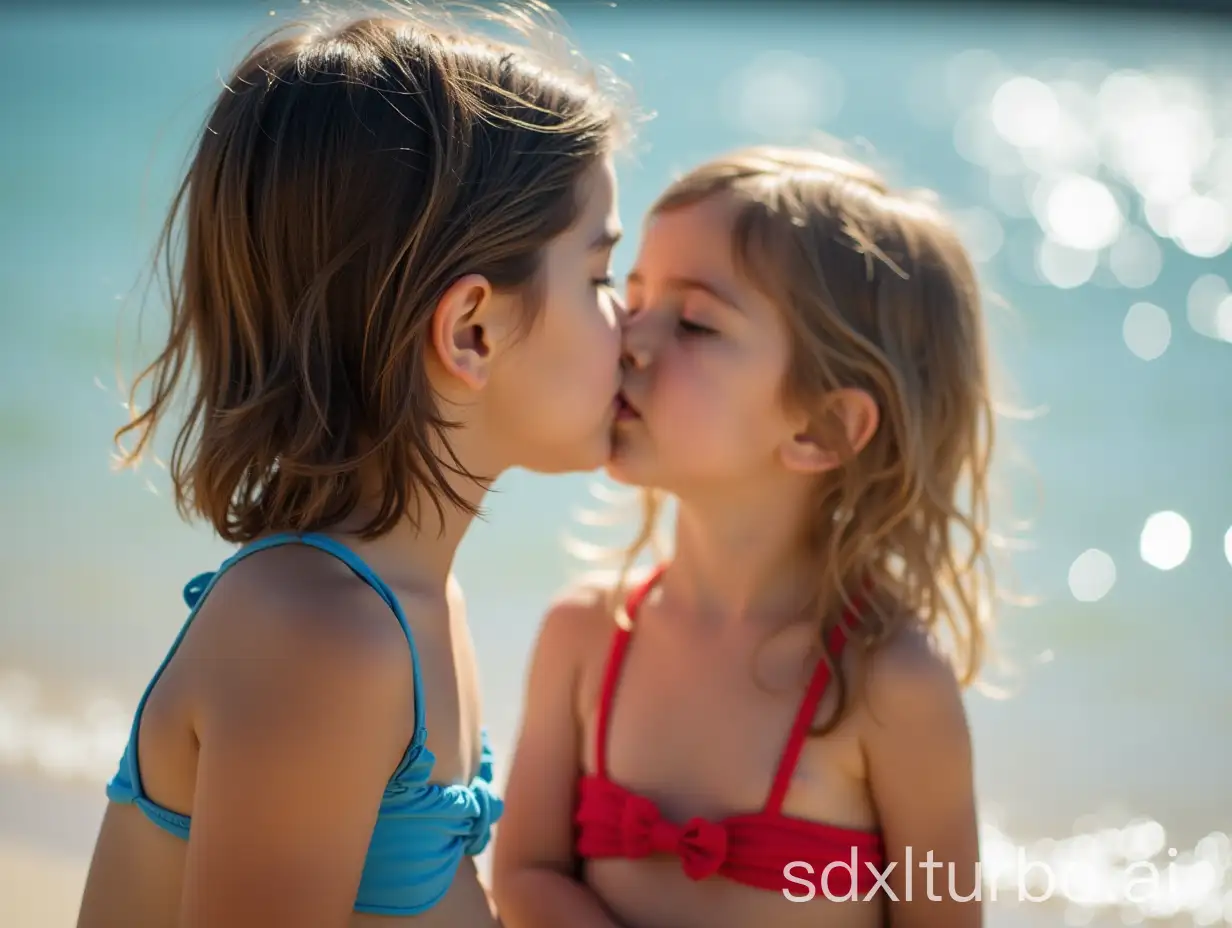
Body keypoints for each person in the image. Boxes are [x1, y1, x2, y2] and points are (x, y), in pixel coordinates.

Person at [76, 4, 628, 926]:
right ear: (472, 331)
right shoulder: (323, 638)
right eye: (602, 277)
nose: (632, 328)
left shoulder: (404, 604)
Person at [492, 145, 999, 928]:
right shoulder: (585, 638)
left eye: (694, 322)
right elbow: (525, 876)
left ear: (824, 426)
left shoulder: (887, 683)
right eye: (631, 298)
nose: (630, 338)